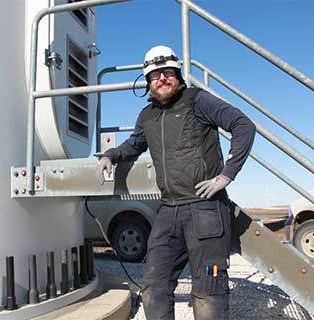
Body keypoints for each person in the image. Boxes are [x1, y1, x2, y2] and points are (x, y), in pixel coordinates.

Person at [96, 45, 256, 320]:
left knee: (209, 292)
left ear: (178, 74)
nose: (162, 78)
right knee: (153, 289)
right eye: (155, 75)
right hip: (168, 211)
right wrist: (111, 154)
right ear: (147, 81)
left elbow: (243, 125)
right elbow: (135, 144)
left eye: (167, 72)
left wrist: (226, 175)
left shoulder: (198, 100)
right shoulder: (147, 116)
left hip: (205, 210)